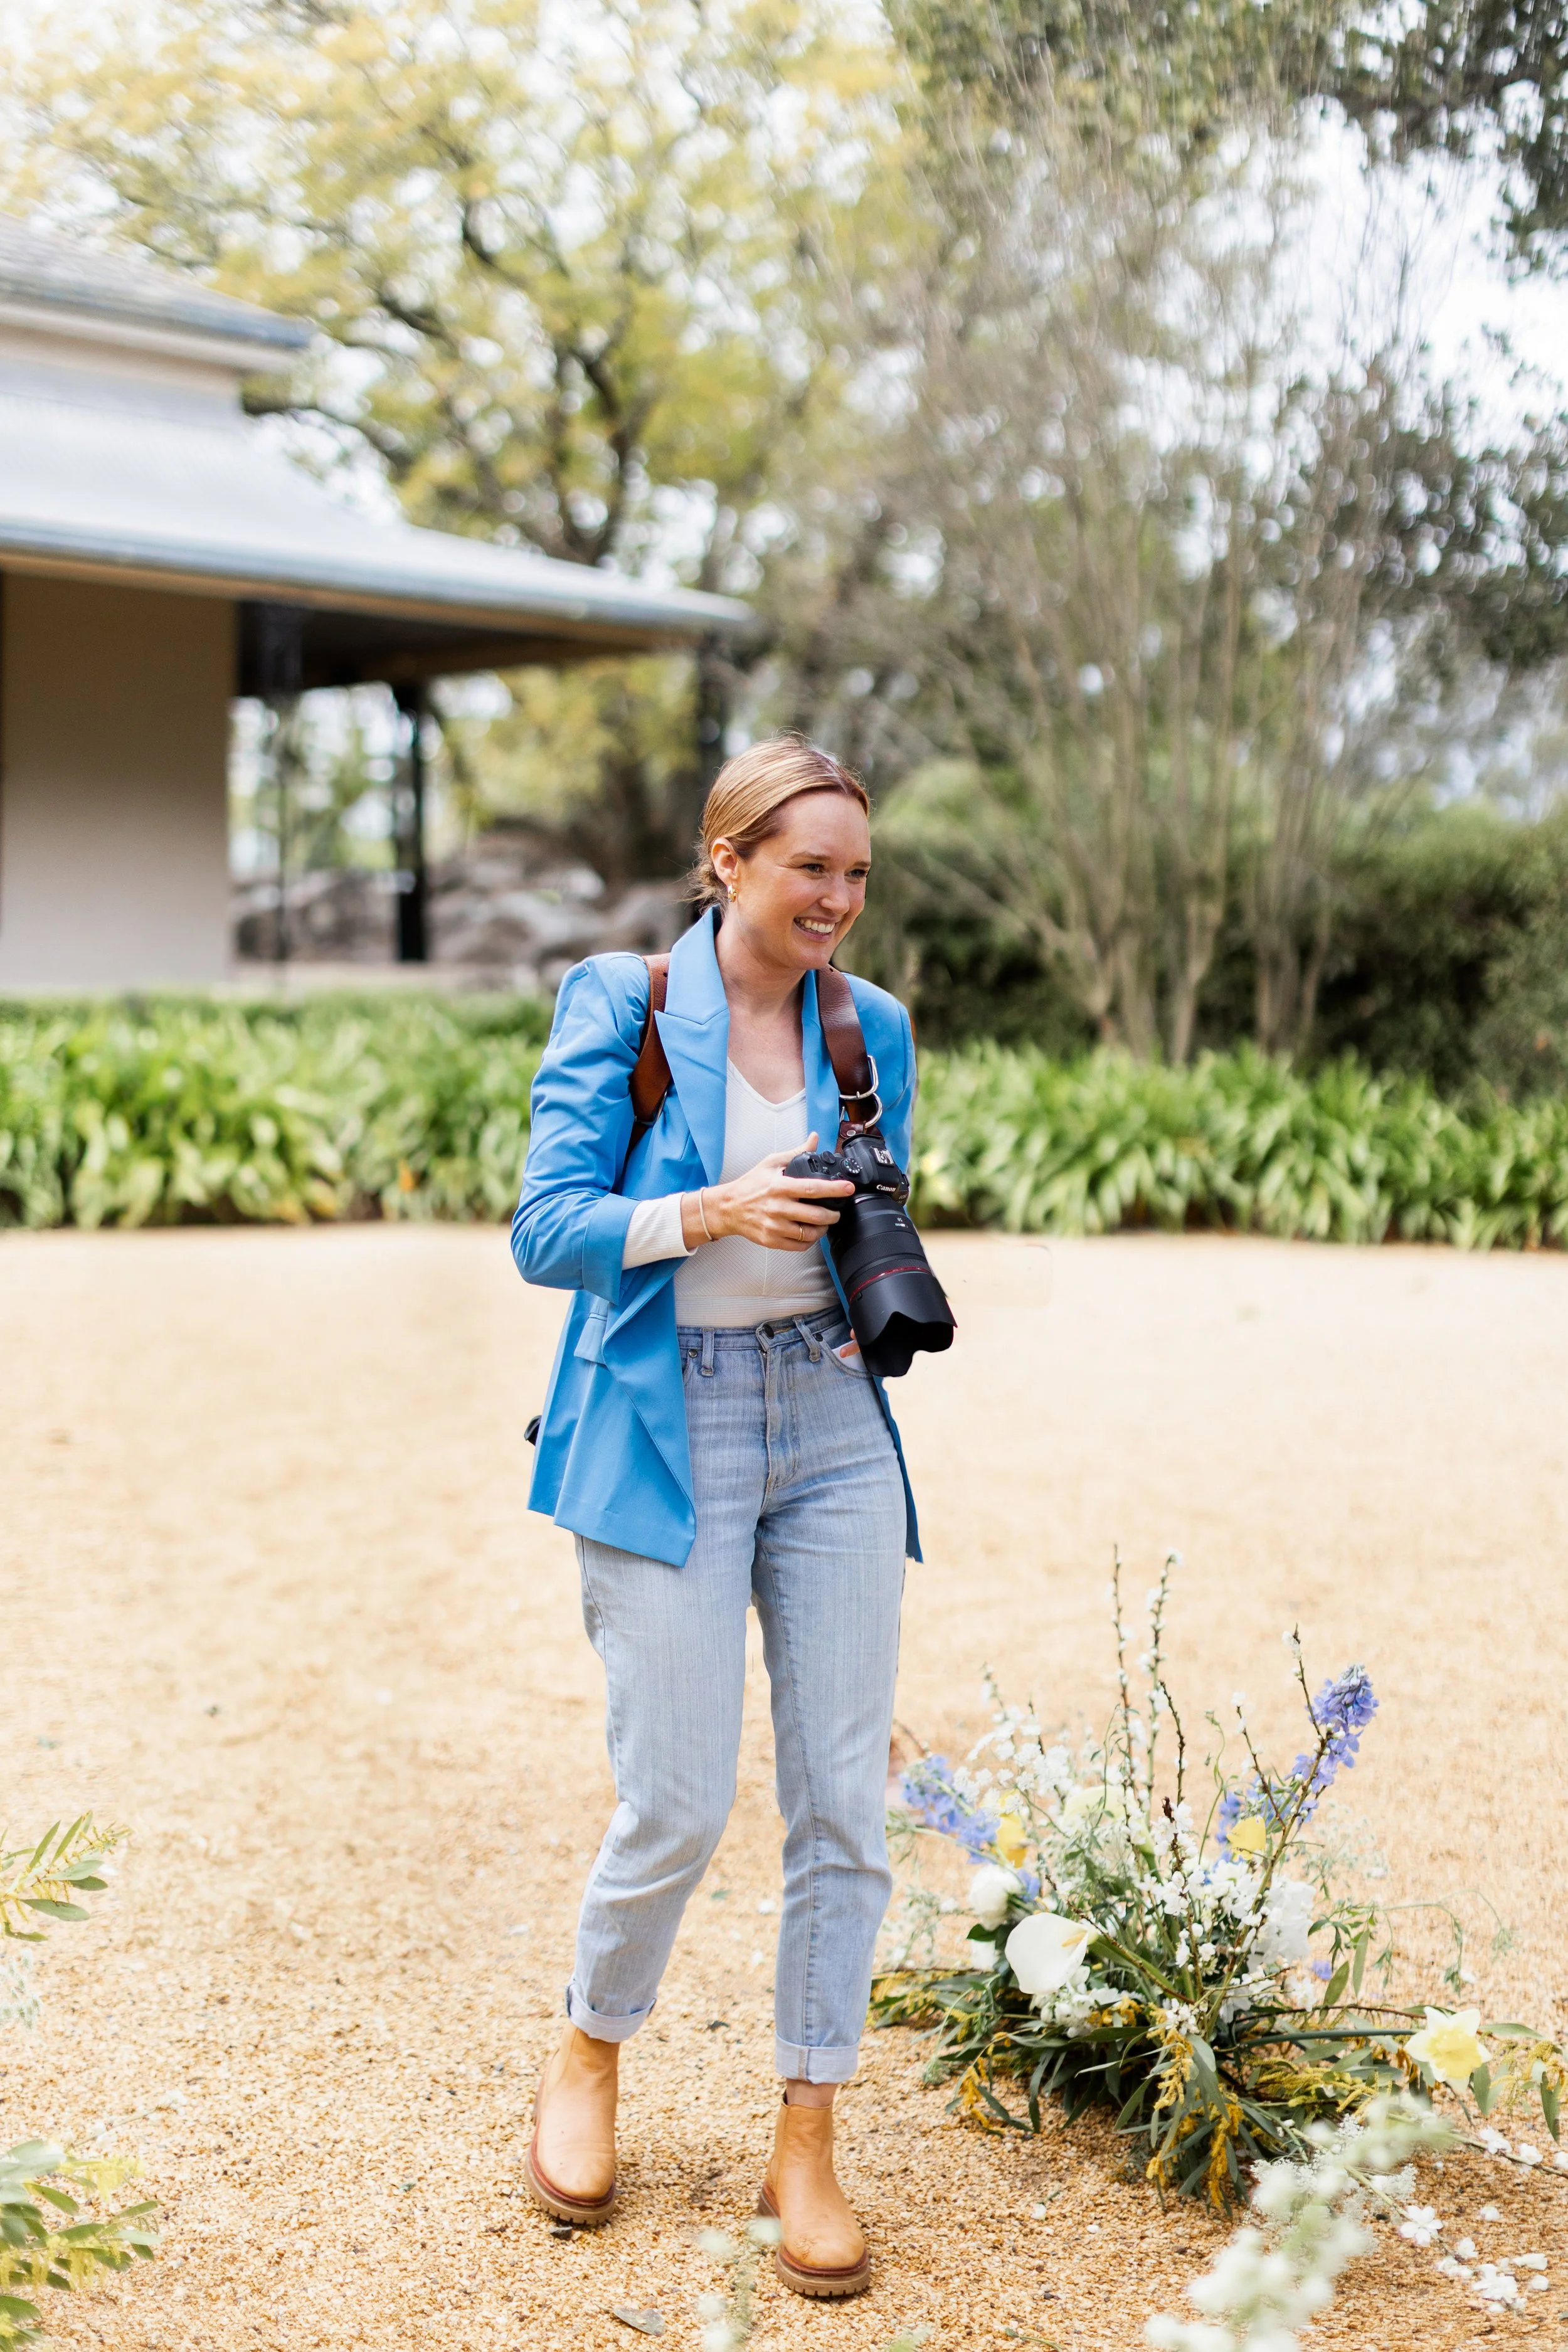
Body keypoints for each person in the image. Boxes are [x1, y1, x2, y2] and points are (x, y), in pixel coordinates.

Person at [509, 736, 921, 2299]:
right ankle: (590, 2050)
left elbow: (871, 1198)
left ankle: (805, 2130)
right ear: (727, 860)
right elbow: (545, 1231)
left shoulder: (866, 1022)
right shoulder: (619, 1005)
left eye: (857, 874)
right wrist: (708, 1213)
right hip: (658, 1414)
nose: (837, 898)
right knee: (675, 1797)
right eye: (809, 867)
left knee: (840, 1805)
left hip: (829, 1418)